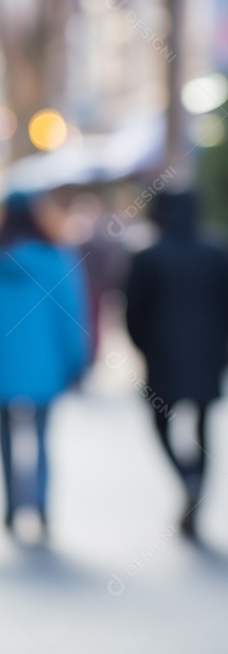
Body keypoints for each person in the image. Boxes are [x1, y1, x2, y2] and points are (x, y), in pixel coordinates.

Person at [0, 192, 89, 537]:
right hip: (47, 364)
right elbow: (71, 315)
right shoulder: (57, 259)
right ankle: (41, 506)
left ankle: (11, 506)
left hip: (0, 362)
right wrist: (78, 361)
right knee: (43, 437)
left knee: (3, 434)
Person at [124, 190, 228, 540]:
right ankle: (194, 482)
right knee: (201, 425)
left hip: (163, 354)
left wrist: (146, 348)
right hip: (208, 354)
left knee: (160, 420)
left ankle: (188, 479)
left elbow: (133, 313)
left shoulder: (150, 256)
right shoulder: (215, 253)